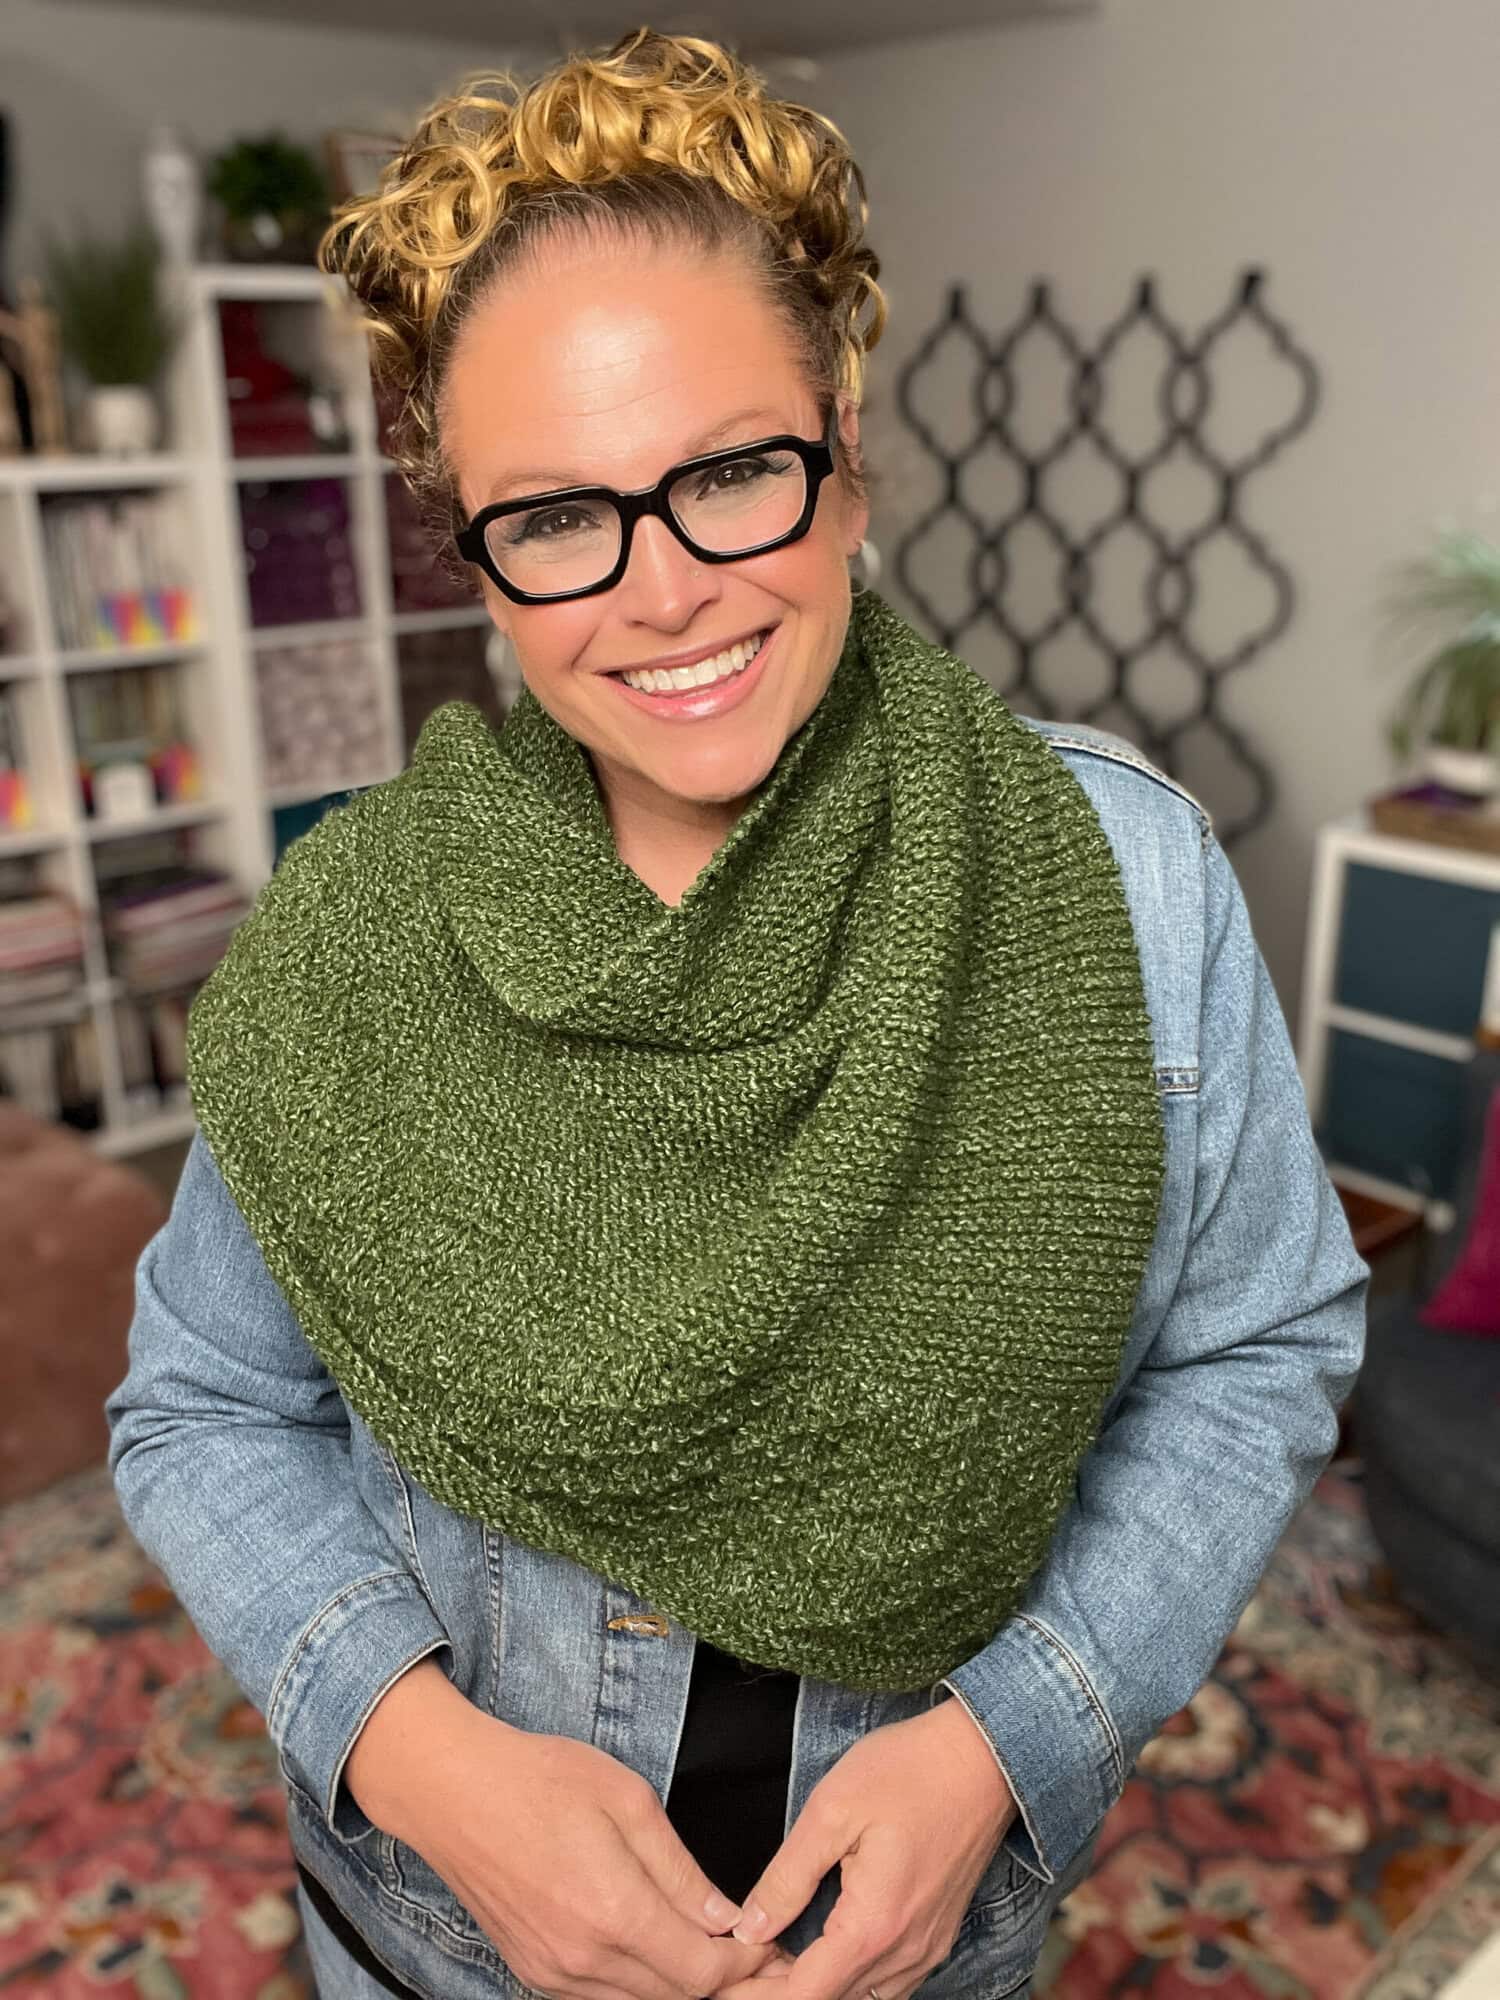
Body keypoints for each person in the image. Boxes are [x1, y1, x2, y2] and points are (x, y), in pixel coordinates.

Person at [104, 25, 1370, 2000]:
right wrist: (432, 1768)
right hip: (442, 1947)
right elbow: (198, 1404)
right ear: (479, 550)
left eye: (728, 474)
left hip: (932, 1952)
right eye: (556, 516)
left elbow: (1258, 1346)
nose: (662, 592)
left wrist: (1002, 1744)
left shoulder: (1123, 882)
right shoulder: (357, 937)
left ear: (845, 443)